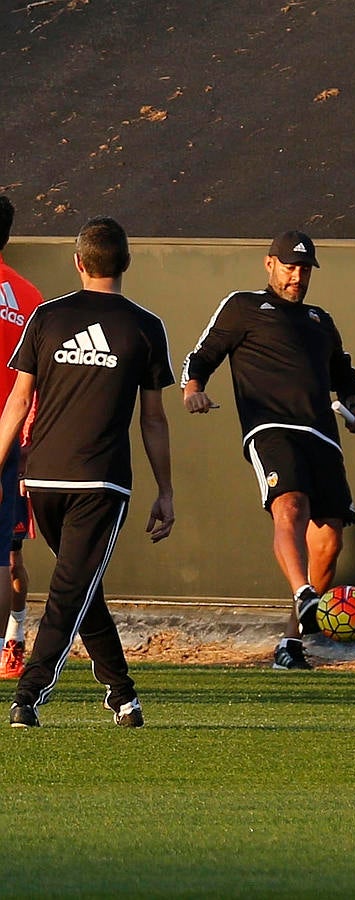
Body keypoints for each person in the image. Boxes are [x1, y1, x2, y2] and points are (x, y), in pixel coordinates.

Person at [3, 216, 175, 728]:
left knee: (79, 583)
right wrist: (166, 490)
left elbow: (17, 401)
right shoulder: (145, 326)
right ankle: (29, 695)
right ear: (126, 262)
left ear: (79, 262)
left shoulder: (47, 318)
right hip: (99, 482)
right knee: (71, 586)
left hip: (43, 478)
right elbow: (153, 418)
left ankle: (122, 694)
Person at [180, 231, 355, 670]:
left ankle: (292, 643)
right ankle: (304, 593)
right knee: (290, 505)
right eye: (289, 266)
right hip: (270, 427)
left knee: (330, 540)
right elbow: (203, 354)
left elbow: (346, 374)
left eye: (304, 269)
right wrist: (194, 389)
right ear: (269, 264)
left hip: (322, 434)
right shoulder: (244, 306)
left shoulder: (322, 320)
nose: (297, 276)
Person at [0, 196, 43, 679]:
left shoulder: (28, 298)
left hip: (9, 446)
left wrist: (28, 445)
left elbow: (36, 385)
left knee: (10, 560)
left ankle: (13, 638)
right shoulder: (28, 295)